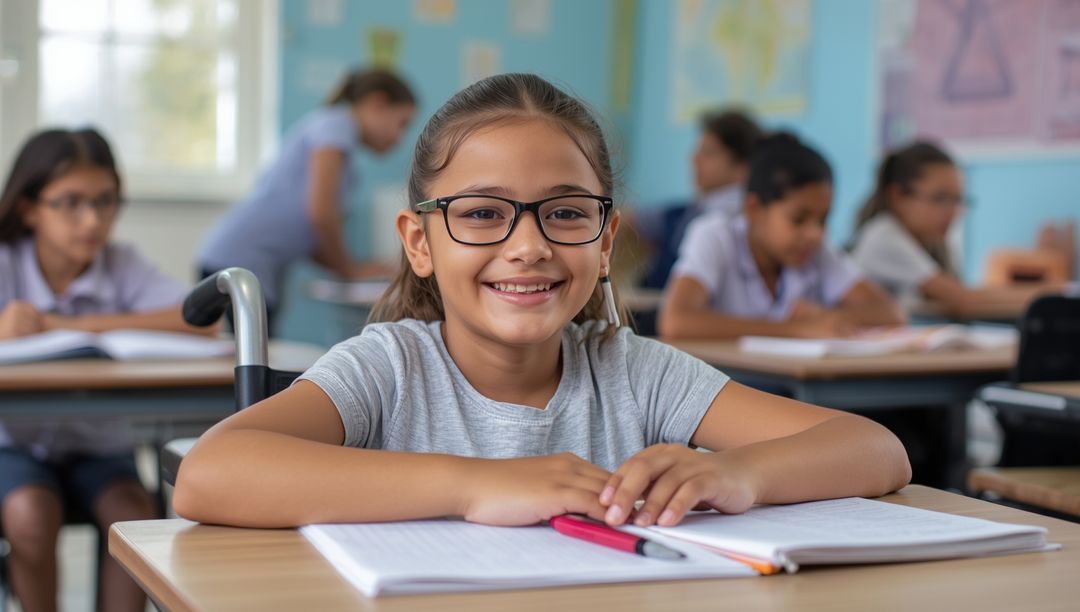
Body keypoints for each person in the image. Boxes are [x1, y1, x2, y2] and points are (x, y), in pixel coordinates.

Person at [173, 74, 910, 531]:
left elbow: (876, 451)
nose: (528, 246)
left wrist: (738, 475)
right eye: (484, 212)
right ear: (419, 241)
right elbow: (211, 473)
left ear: (605, 237)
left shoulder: (637, 373)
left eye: (564, 212)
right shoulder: (389, 368)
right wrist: (477, 485)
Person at [0, 128, 208, 612]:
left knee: (135, 518)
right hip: (15, 445)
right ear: (29, 207)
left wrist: (68, 323)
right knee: (31, 515)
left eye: (105, 201)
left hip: (100, 447)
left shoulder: (121, 263)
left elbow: (200, 318)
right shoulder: (7, 262)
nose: (92, 219)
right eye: (70, 202)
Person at [197, 68, 417, 328]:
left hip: (245, 263)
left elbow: (311, 235)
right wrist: (348, 269)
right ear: (377, 103)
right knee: (247, 361)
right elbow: (321, 215)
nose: (400, 138)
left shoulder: (337, 142)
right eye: (401, 123)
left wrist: (356, 267)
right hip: (238, 263)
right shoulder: (337, 124)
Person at [658, 133, 905, 341]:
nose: (814, 233)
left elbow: (891, 313)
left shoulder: (814, 250)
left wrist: (823, 316)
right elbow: (676, 322)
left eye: (823, 220)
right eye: (798, 219)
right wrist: (796, 330)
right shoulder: (715, 234)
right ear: (754, 209)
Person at [850, 141, 1066, 313]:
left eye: (958, 200)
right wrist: (1054, 292)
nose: (954, 211)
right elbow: (965, 300)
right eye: (940, 198)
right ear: (898, 196)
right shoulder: (882, 236)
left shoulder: (933, 243)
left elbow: (965, 296)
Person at [635, 109, 761, 290]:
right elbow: (634, 220)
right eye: (698, 150)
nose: (694, 158)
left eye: (709, 152)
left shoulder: (731, 219)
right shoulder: (689, 209)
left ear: (743, 166)